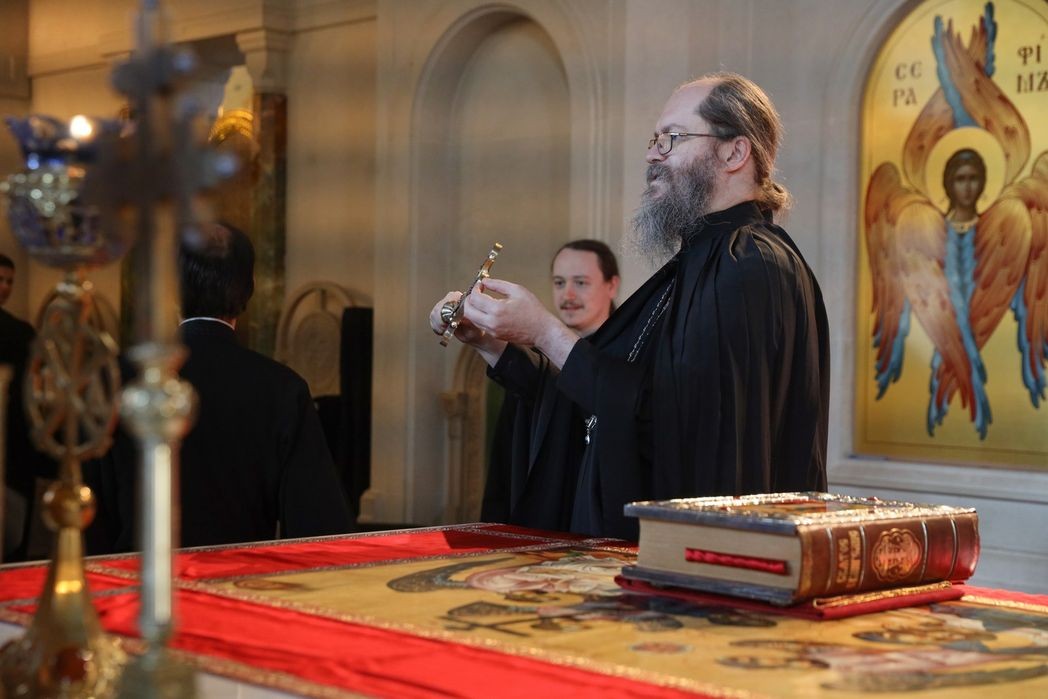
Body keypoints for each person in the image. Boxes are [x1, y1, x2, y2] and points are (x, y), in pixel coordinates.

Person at [433, 73, 829, 539]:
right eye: (654, 140)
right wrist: (493, 343)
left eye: (671, 139)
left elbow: (682, 433)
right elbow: (608, 401)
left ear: (734, 153)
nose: (652, 155)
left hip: (707, 560)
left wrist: (545, 332)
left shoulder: (749, 265)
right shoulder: (699, 262)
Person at [89, 223, 353, 551]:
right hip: (239, 578)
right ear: (248, 290)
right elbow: (319, 525)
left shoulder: (116, 378)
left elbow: (88, 517)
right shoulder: (281, 388)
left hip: (132, 577)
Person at [481, 240, 619, 523]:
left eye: (580, 282)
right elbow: (507, 457)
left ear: (611, 286)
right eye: (559, 282)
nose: (568, 294)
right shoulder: (535, 353)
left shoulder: (627, 356)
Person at [0, 253, 53, 560]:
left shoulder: (21, 332)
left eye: (10, 281)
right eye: (0, 280)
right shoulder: (20, 333)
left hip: (16, 442)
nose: (5, 287)